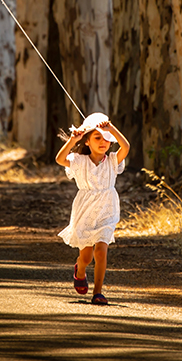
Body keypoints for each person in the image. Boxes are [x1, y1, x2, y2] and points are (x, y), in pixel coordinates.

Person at [55, 112, 130, 305]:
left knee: (101, 251)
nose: (103, 141)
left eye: (106, 139)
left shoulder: (113, 160)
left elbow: (126, 146)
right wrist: (73, 140)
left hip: (107, 209)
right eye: (97, 137)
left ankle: (98, 292)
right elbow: (60, 159)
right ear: (87, 141)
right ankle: (80, 270)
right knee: (87, 256)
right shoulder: (79, 162)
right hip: (85, 210)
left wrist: (111, 129)